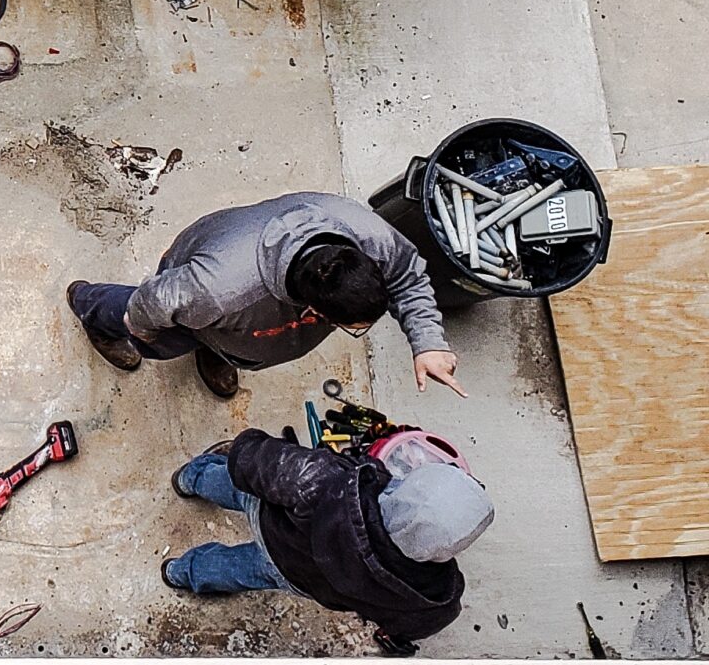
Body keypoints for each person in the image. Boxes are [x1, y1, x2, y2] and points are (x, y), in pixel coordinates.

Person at [65, 192, 462, 399]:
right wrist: (139, 329)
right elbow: (155, 302)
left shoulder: (368, 235)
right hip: (194, 310)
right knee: (150, 331)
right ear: (314, 311)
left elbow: (408, 276)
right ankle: (89, 306)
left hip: (228, 325)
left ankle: (219, 349)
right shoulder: (217, 290)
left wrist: (426, 341)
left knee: (220, 334)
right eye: (351, 327)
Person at [162, 430, 492, 655]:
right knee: (239, 570)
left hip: (272, 523)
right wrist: (394, 642)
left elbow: (253, 461)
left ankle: (190, 479)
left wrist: (247, 444)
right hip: (296, 577)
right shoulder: (435, 598)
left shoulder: (328, 480)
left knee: (230, 484)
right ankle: (180, 573)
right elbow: (405, 629)